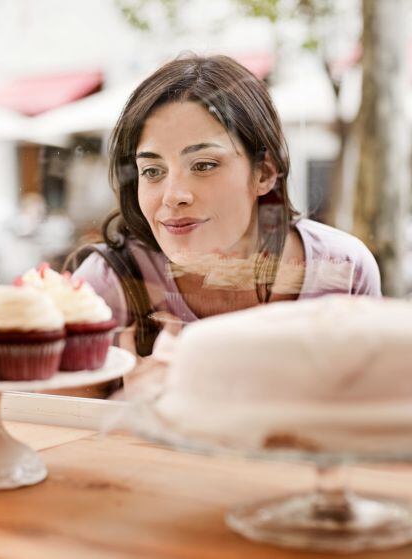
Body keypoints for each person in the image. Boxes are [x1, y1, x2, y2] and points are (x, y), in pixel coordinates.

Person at [69, 54, 381, 376]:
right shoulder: (107, 286)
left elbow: (376, 412)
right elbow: (49, 419)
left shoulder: (344, 271)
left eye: (204, 165)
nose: (173, 196)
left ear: (263, 173)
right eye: (152, 171)